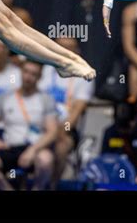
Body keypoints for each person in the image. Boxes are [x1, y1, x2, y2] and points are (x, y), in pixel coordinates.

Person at [0, 60, 58, 190]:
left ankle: (37, 188)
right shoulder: (5, 97)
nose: (28, 77)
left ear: (39, 77)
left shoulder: (46, 99)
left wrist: (32, 150)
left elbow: (52, 132)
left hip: (35, 147)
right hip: (10, 147)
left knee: (46, 160)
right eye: (26, 72)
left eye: (33, 74)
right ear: (21, 72)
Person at [37, 38, 95, 182]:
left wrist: (57, 131)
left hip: (66, 129)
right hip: (39, 124)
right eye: (61, 47)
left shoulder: (84, 74)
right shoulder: (44, 70)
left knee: (62, 145)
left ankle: (53, 184)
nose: (66, 52)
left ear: (77, 51)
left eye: (70, 48)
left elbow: (75, 113)